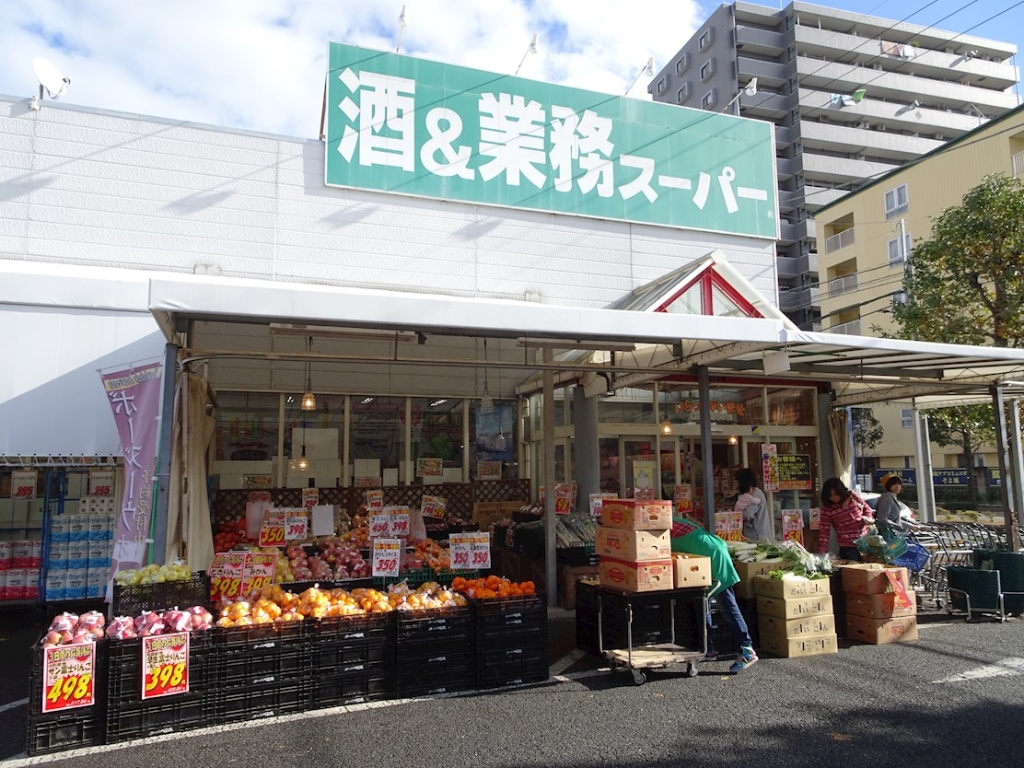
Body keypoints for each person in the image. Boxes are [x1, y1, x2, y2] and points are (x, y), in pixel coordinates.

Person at [670, 516, 757, 673]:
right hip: (705, 558)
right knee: (704, 606)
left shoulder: (664, 528)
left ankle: (746, 650)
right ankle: (708, 649)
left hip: (714, 559)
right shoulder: (672, 523)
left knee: (728, 607)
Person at [818, 477, 874, 561]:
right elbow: (824, 532)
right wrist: (822, 553)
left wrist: (868, 518)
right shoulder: (826, 509)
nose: (834, 498)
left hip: (865, 542)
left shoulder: (852, 496)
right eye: (831, 496)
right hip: (848, 547)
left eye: (836, 494)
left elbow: (867, 509)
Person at [733, 468, 770, 542]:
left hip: (757, 535)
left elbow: (747, 514)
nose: (736, 485)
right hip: (755, 534)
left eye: (738, 482)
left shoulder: (756, 493)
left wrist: (738, 513)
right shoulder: (753, 493)